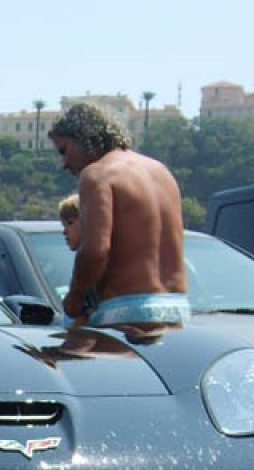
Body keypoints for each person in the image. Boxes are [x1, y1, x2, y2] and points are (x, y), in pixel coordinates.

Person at [49, 102, 188, 329]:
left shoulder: (97, 175)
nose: (64, 164)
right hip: (176, 309)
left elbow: (95, 251)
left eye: (64, 150)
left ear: (85, 137)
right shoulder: (161, 172)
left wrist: (74, 300)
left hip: (125, 311)